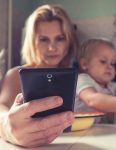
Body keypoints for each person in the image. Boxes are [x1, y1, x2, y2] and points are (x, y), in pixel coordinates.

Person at [0, 4, 78, 147]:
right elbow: (1, 107)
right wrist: (6, 126)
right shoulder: (15, 75)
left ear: (68, 41)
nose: (52, 47)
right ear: (32, 42)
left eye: (60, 38)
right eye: (44, 39)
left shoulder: (76, 76)